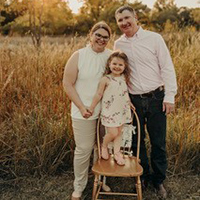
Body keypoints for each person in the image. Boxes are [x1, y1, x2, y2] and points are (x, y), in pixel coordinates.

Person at [114, 5, 177, 198]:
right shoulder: (119, 44)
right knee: (135, 142)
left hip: (157, 98)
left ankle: (158, 181)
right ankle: (141, 177)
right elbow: (119, 73)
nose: (124, 23)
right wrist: (124, 98)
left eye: (127, 18)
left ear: (136, 17)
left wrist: (170, 96)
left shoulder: (154, 38)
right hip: (133, 101)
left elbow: (167, 67)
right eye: (120, 20)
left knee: (158, 142)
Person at [63, 21, 112, 200]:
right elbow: (67, 84)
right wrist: (82, 107)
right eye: (98, 35)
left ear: (109, 39)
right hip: (83, 111)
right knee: (83, 149)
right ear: (91, 35)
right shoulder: (78, 56)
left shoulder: (112, 55)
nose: (101, 39)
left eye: (105, 37)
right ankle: (79, 186)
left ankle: (101, 181)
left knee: (103, 148)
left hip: (106, 112)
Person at [88, 51, 133, 166]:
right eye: (115, 64)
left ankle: (117, 153)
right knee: (112, 132)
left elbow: (124, 92)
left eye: (120, 65)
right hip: (110, 110)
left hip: (122, 110)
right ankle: (104, 145)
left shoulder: (124, 78)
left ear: (125, 66)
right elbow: (99, 94)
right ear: (109, 64)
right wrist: (92, 107)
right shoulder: (106, 79)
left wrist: (129, 103)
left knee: (119, 133)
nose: (117, 67)